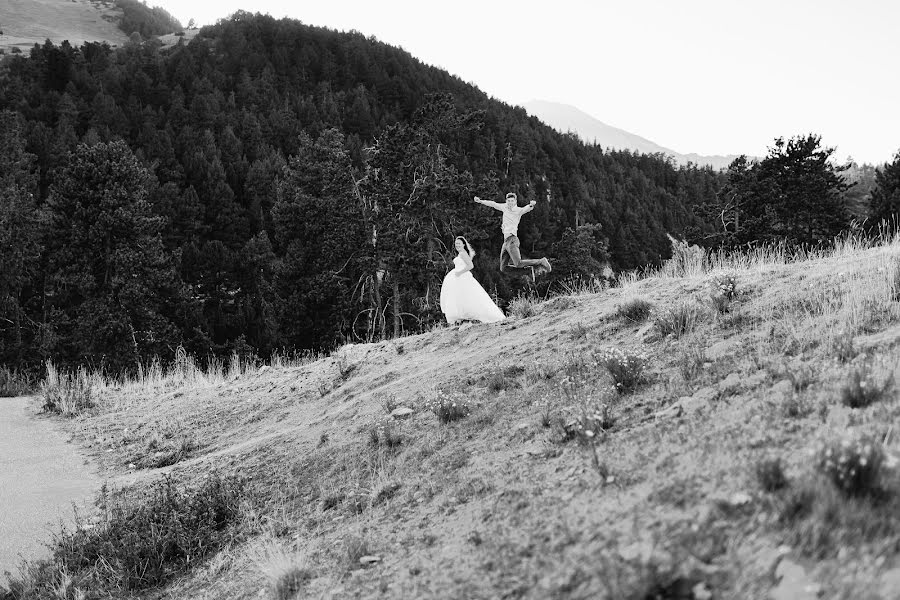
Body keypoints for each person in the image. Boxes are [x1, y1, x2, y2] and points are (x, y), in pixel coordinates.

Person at [473, 192, 552, 277]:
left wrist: (531, 205)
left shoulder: (518, 211)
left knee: (518, 263)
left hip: (512, 240)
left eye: (512, 201)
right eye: (508, 201)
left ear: (515, 201)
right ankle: (528, 270)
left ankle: (541, 261)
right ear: (506, 201)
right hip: (505, 242)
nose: (510, 203)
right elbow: (493, 204)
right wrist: (480, 201)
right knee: (503, 268)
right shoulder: (504, 207)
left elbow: (526, 209)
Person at [439, 236, 505, 325]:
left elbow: (470, 265)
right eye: (456, 244)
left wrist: (460, 272)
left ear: (463, 244)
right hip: (459, 277)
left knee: (470, 296)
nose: (457, 245)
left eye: (459, 243)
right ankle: (462, 316)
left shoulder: (463, 253)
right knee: (462, 296)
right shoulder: (461, 253)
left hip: (462, 276)